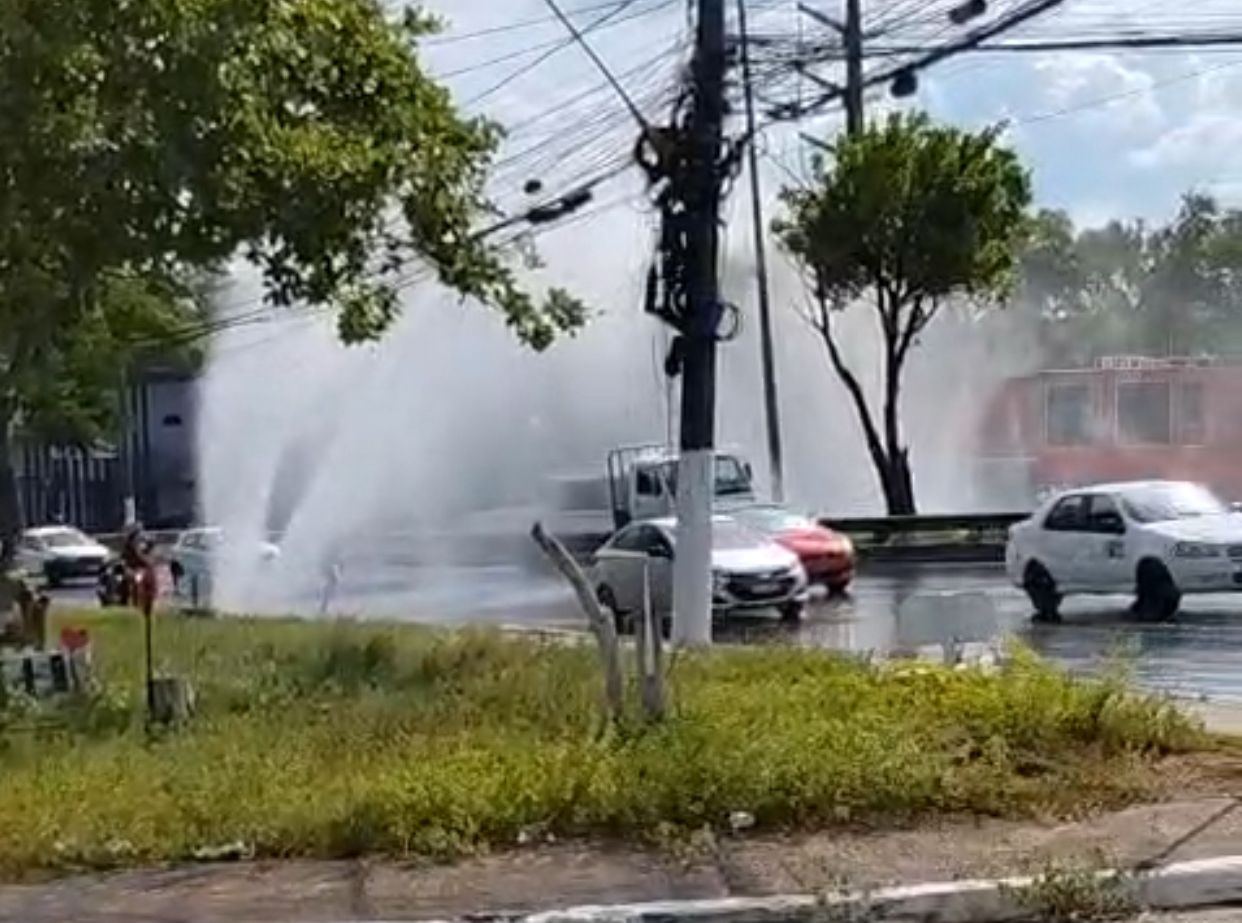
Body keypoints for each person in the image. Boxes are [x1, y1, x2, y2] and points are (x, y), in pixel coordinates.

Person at [121, 522, 158, 617]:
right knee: (137, 583)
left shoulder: (143, 539)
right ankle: (135, 603)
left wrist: (148, 557)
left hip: (143, 568)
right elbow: (127, 557)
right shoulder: (129, 543)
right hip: (136, 569)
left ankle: (145, 603)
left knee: (147, 584)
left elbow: (147, 550)